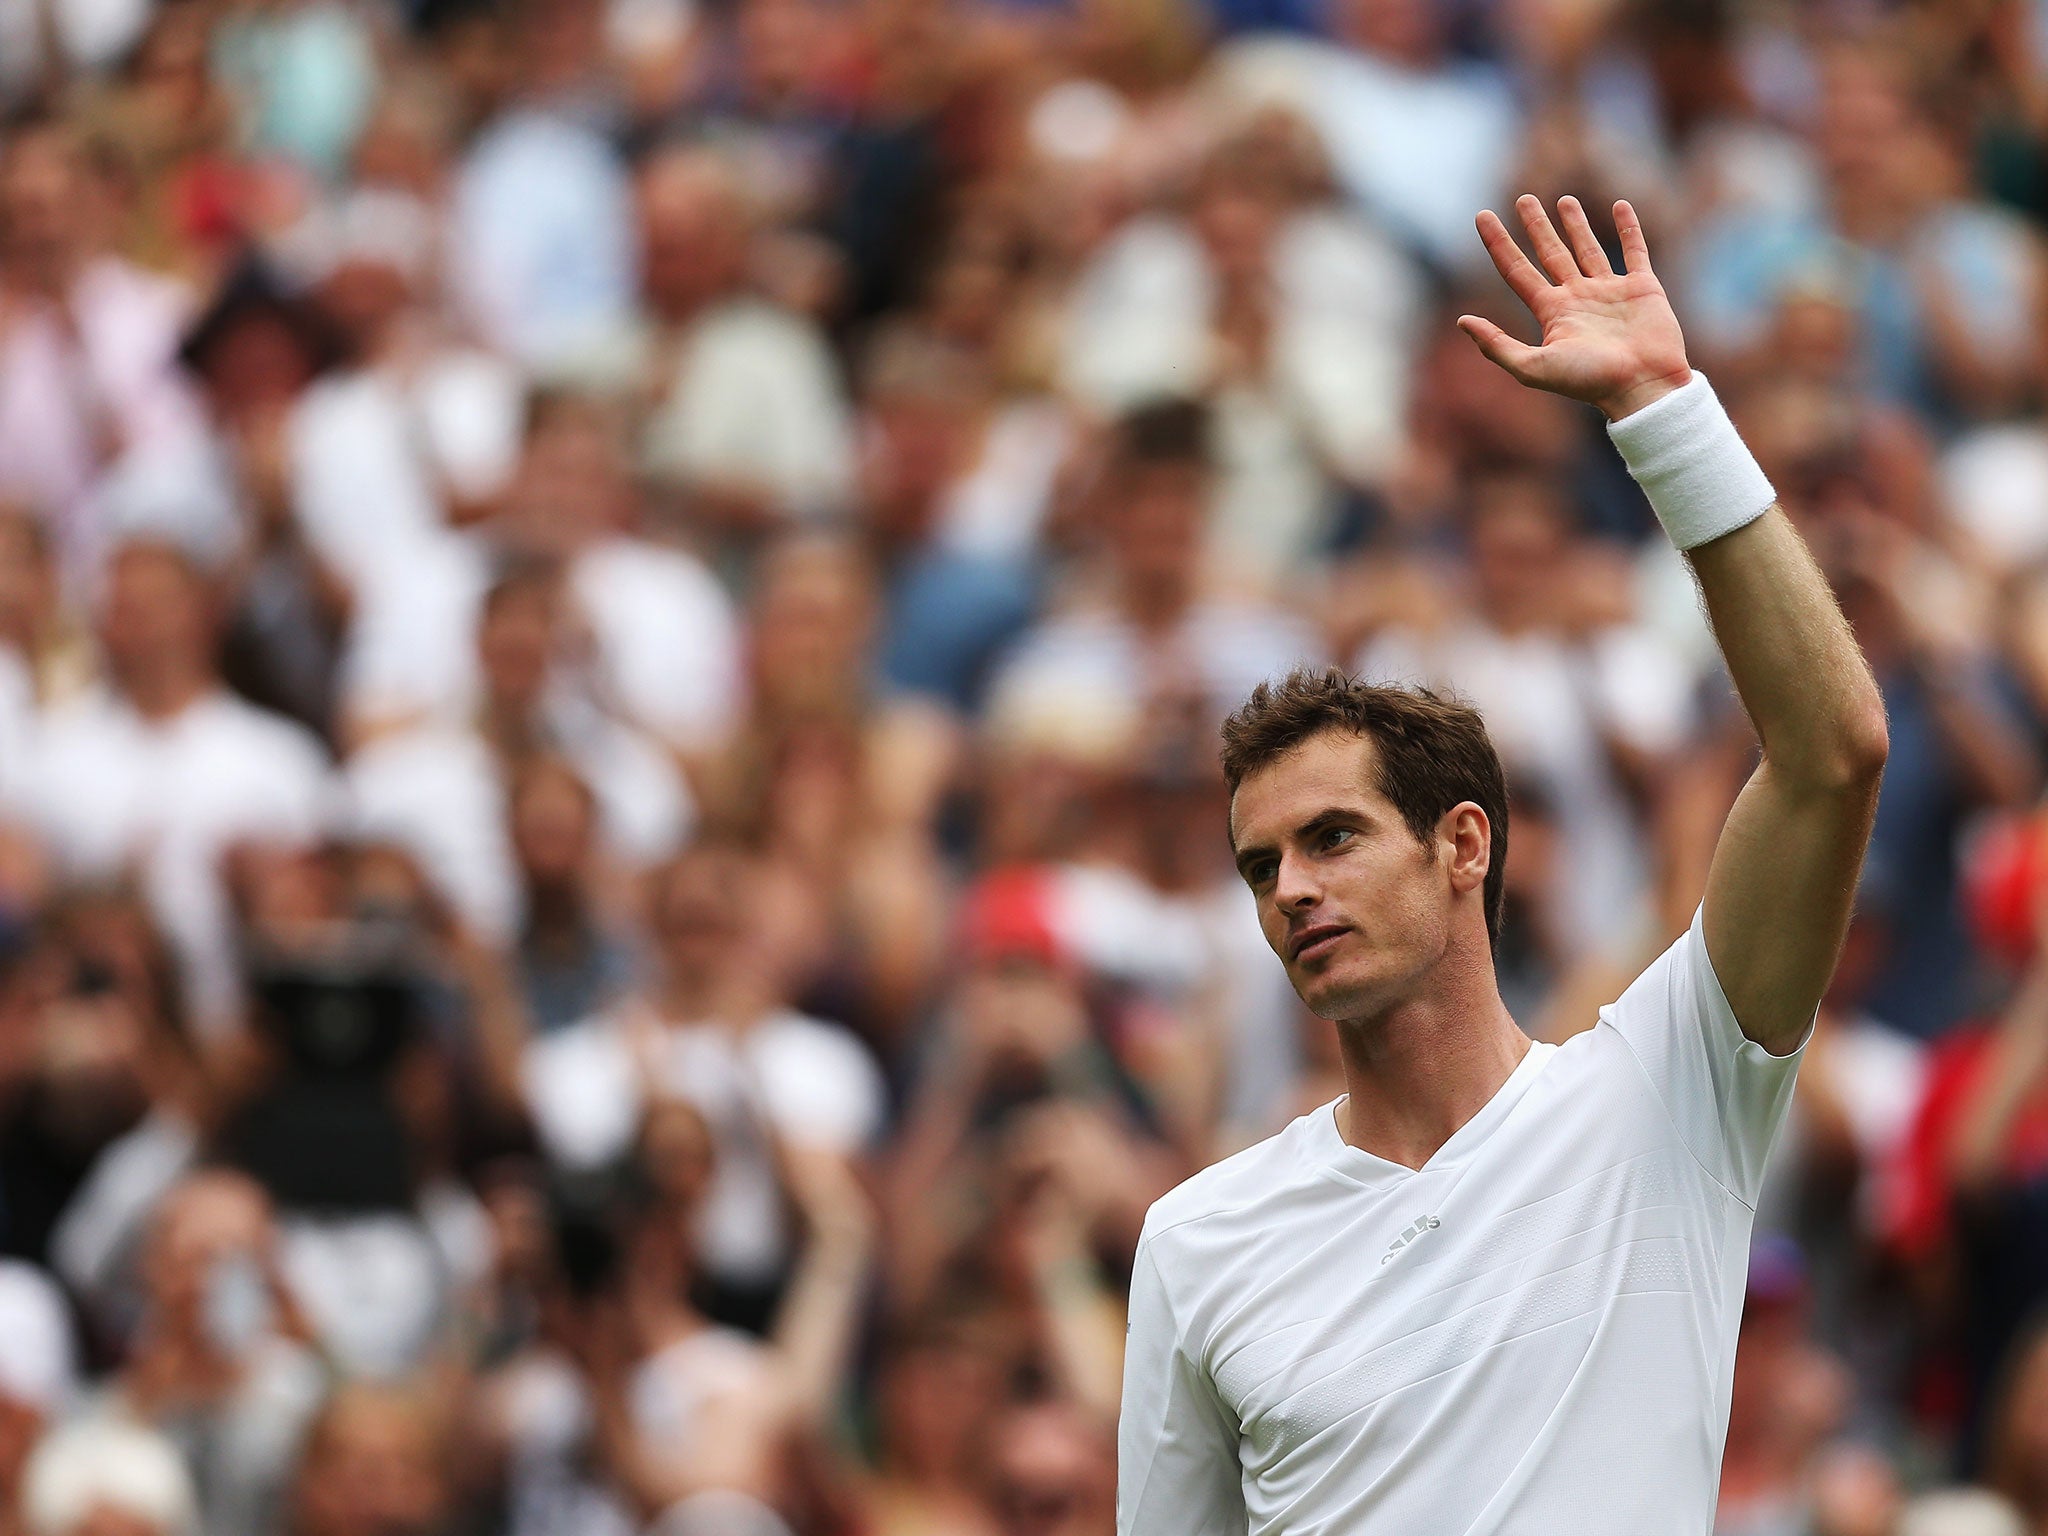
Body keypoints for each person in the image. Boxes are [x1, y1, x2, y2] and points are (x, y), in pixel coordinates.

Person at [1116, 196, 1891, 1533]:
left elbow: (1830, 753)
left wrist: (1664, 411)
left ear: (1463, 844)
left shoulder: (1667, 1099)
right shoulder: (1199, 1240)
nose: (1291, 888)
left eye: (1334, 837)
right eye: (1259, 867)